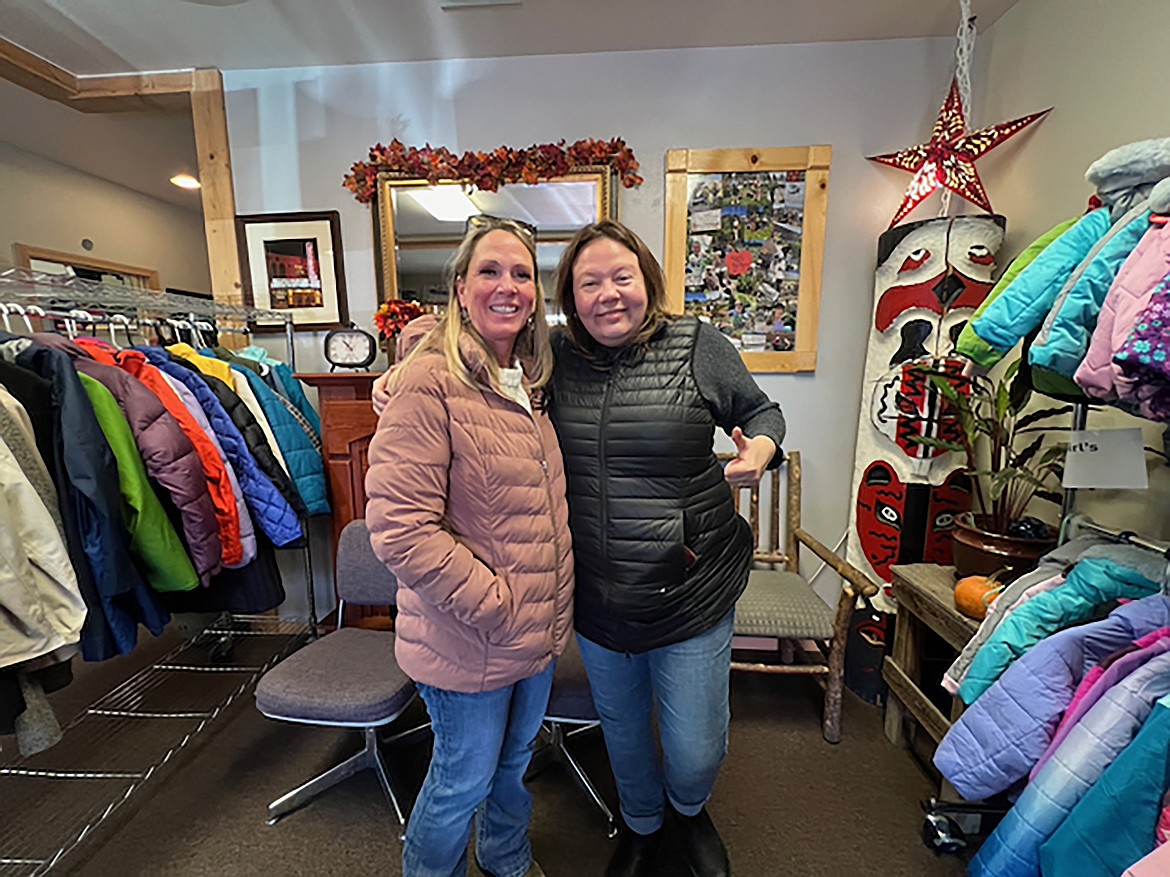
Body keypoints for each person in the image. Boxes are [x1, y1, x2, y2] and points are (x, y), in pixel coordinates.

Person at [547, 219, 785, 877]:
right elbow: (474, 361)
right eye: (589, 282)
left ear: (646, 280)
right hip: (598, 594)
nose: (607, 294)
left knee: (694, 745)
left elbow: (762, 412)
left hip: (690, 585)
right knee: (622, 732)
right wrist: (409, 373)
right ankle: (643, 825)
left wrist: (760, 449)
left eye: (620, 276)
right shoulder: (555, 356)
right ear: (571, 295)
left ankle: (688, 809)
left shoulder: (697, 345)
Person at [365, 215, 574, 877]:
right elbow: (400, 527)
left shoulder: (530, 382)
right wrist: (494, 604)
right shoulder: (430, 381)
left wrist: (534, 611)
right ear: (459, 288)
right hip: (470, 632)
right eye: (489, 270)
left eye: (521, 273)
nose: (507, 285)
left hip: (533, 631)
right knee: (459, 782)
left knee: (513, 767)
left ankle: (506, 855)